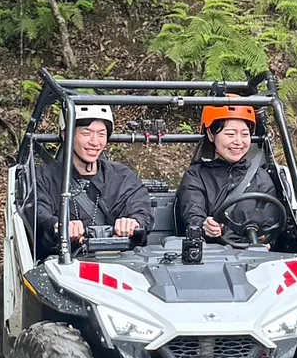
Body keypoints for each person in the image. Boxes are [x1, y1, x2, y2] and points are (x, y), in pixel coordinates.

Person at [26, 104, 153, 259]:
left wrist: (134, 222)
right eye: (86, 133)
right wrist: (59, 225)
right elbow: (38, 210)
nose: (95, 142)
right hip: (64, 263)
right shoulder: (45, 178)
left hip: (118, 264)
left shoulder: (122, 177)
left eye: (101, 134)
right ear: (66, 135)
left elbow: (140, 207)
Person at [176, 99, 281, 245]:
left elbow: (271, 220)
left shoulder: (260, 177)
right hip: (211, 255)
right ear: (211, 135)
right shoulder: (196, 175)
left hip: (252, 254)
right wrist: (204, 225)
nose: (238, 141)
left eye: (245, 134)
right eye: (230, 134)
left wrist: (266, 237)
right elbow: (192, 214)